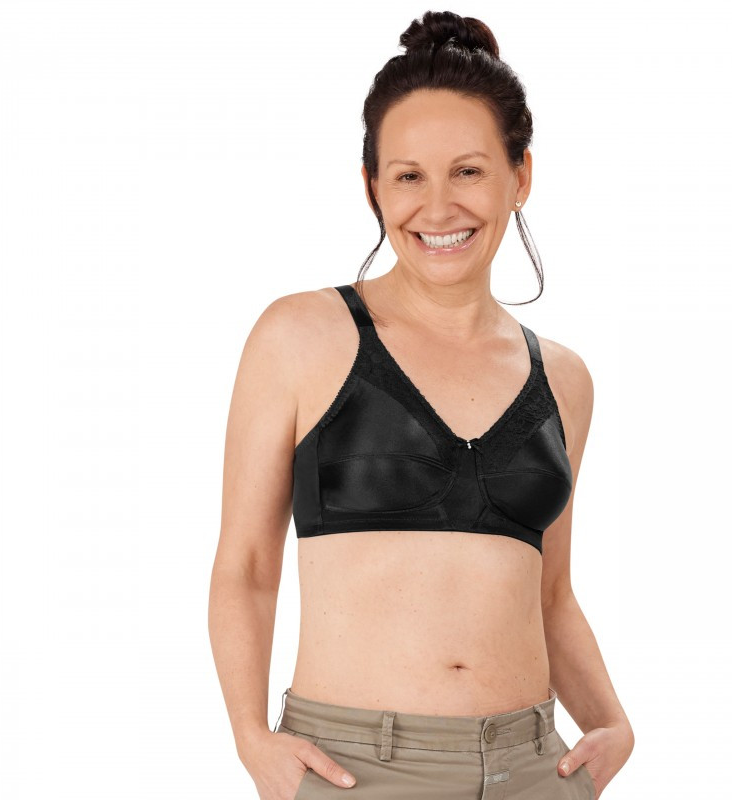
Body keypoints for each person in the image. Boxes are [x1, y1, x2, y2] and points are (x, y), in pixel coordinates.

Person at [208, 10, 634, 799]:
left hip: (535, 769)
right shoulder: (300, 336)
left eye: (467, 171)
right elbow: (247, 567)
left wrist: (612, 722)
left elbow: (550, 594)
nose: (438, 208)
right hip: (353, 771)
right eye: (408, 176)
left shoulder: (564, 379)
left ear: (520, 177)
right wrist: (250, 739)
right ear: (371, 186)